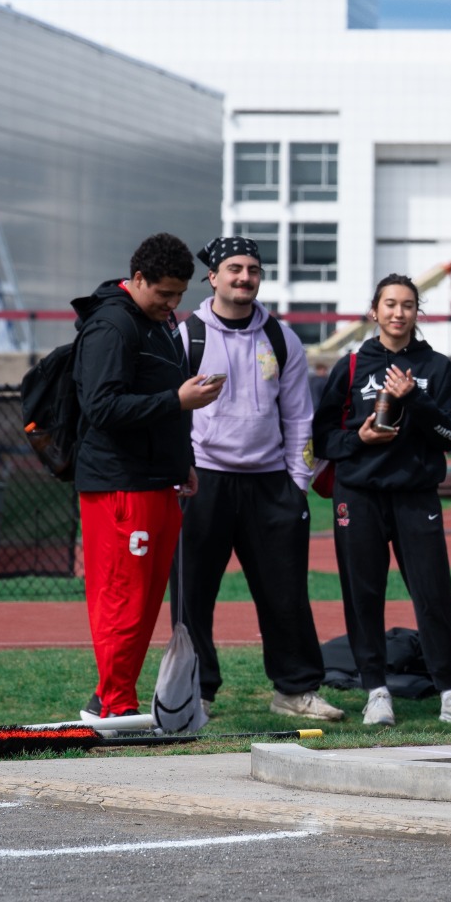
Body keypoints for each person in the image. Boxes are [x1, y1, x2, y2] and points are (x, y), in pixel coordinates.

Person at [313, 273, 451, 728]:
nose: (398, 312)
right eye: (389, 304)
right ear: (374, 311)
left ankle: (450, 693)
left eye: (407, 305)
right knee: (363, 595)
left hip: (416, 495)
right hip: (359, 496)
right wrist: (361, 437)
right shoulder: (351, 364)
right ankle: (376, 692)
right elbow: (322, 437)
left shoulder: (436, 367)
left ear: (416, 313)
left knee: (433, 593)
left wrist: (417, 402)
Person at [178, 235, 342, 723]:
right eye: (234, 269)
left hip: (272, 484)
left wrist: (296, 482)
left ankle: (294, 690)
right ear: (213, 277)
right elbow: (173, 412)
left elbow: (299, 417)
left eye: (252, 269)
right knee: (193, 596)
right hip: (203, 480)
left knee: (286, 592)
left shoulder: (280, 337)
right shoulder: (188, 335)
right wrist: (179, 470)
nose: (244, 277)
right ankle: (195, 693)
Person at [72, 233, 222, 721]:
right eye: (164, 294)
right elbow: (101, 406)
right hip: (120, 484)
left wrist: (183, 463)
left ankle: (112, 697)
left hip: (158, 480)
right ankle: (115, 703)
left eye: (180, 295)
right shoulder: (112, 326)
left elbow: (161, 400)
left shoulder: (158, 322)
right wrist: (176, 401)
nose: (173, 304)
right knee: (123, 598)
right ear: (137, 280)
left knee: (144, 600)